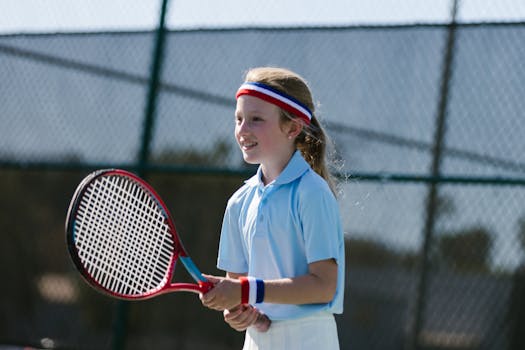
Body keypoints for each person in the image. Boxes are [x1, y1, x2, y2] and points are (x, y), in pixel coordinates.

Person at [200, 67, 345, 350]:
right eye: (239, 119)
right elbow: (242, 292)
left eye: (256, 120)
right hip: (255, 342)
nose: (242, 130)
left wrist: (244, 290)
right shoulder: (239, 203)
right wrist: (244, 313)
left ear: (292, 128)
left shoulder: (313, 193)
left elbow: (324, 286)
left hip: (311, 339)